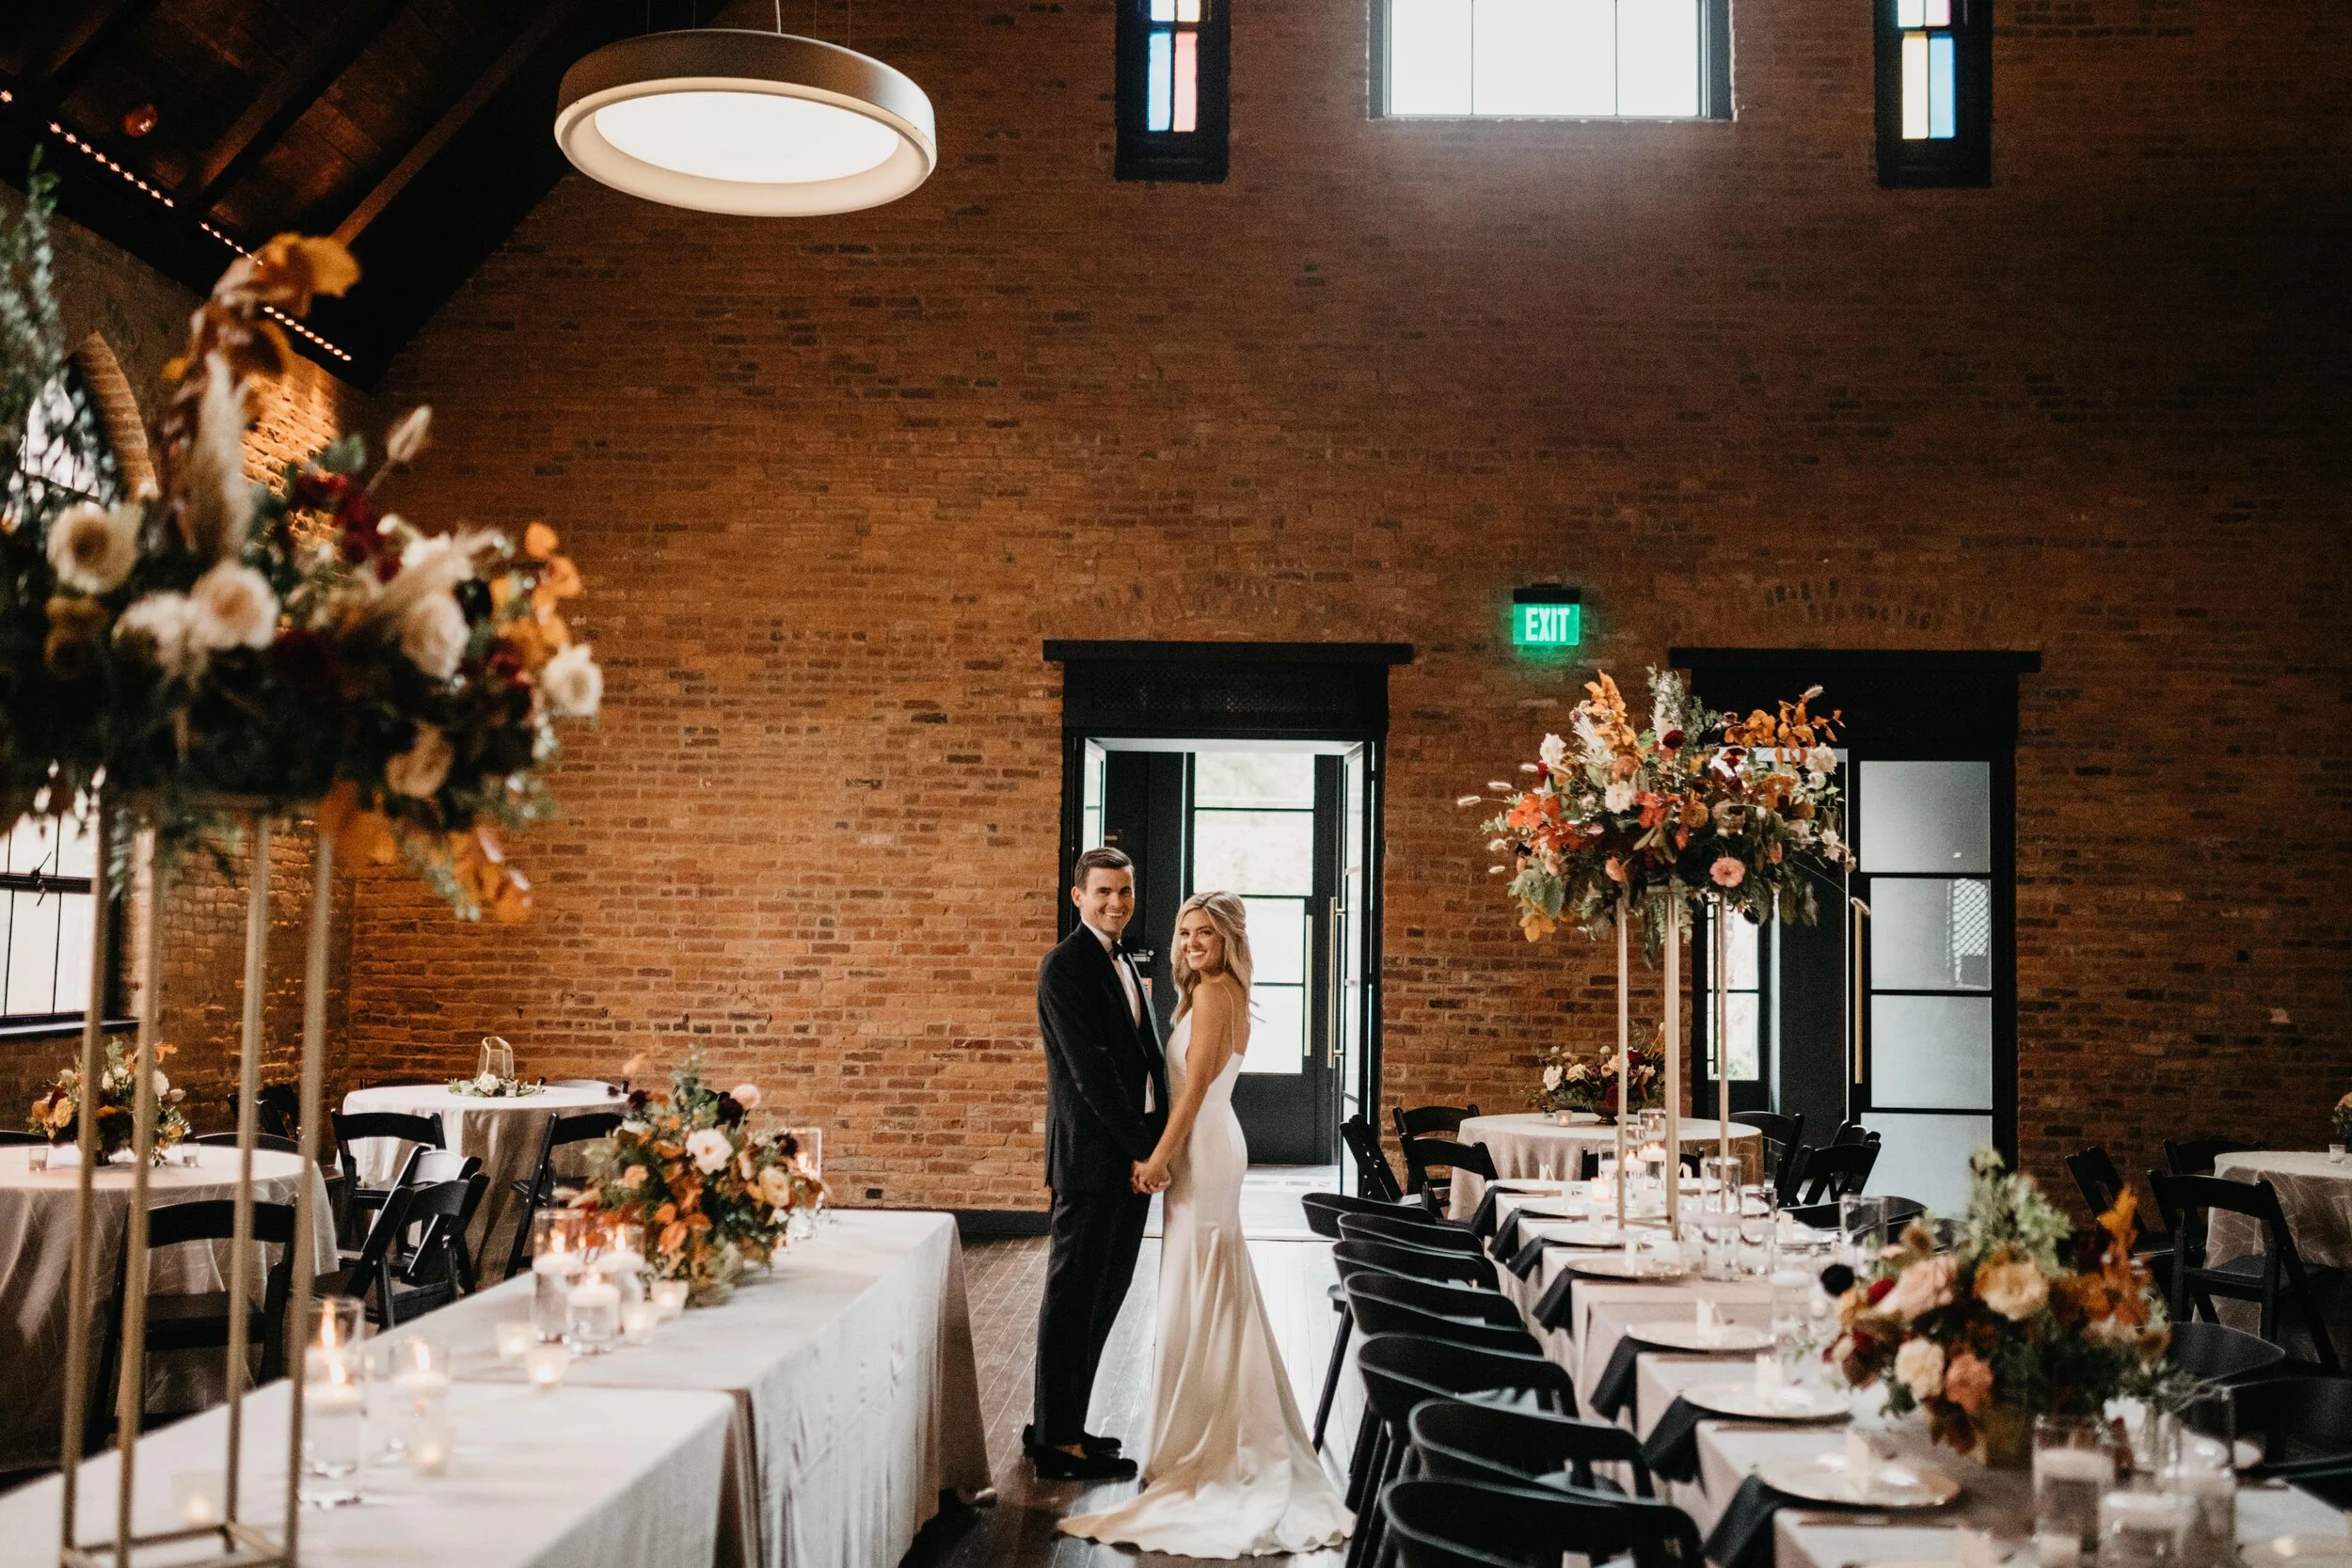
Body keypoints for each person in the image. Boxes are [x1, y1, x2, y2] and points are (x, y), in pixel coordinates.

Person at [1059, 892, 1354, 1557]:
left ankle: (1216, 1436)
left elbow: (1192, 1090)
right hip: (1204, 1144)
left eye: (1205, 933)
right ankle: (1204, 1424)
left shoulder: (1218, 993)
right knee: (1204, 1282)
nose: (1192, 942)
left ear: (1228, 940)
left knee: (1208, 1282)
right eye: (1185, 931)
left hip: (1204, 1147)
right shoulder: (1204, 991)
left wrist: (1158, 1154)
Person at [1028, 846, 1169, 1481]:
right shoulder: (1066, 966)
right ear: (1078, 896)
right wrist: (1144, 1147)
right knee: (1071, 1299)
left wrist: (1156, 1140)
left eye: (1125, 892)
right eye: (1104, 892)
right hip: (1093, 1159)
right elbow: (1093, 1074)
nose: (1116, 902)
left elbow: (1144, 1061)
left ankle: (1069, 1427)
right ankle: (1055, 1442)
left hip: (1129, 1158)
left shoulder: (1122, 962)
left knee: (1102, 1297)